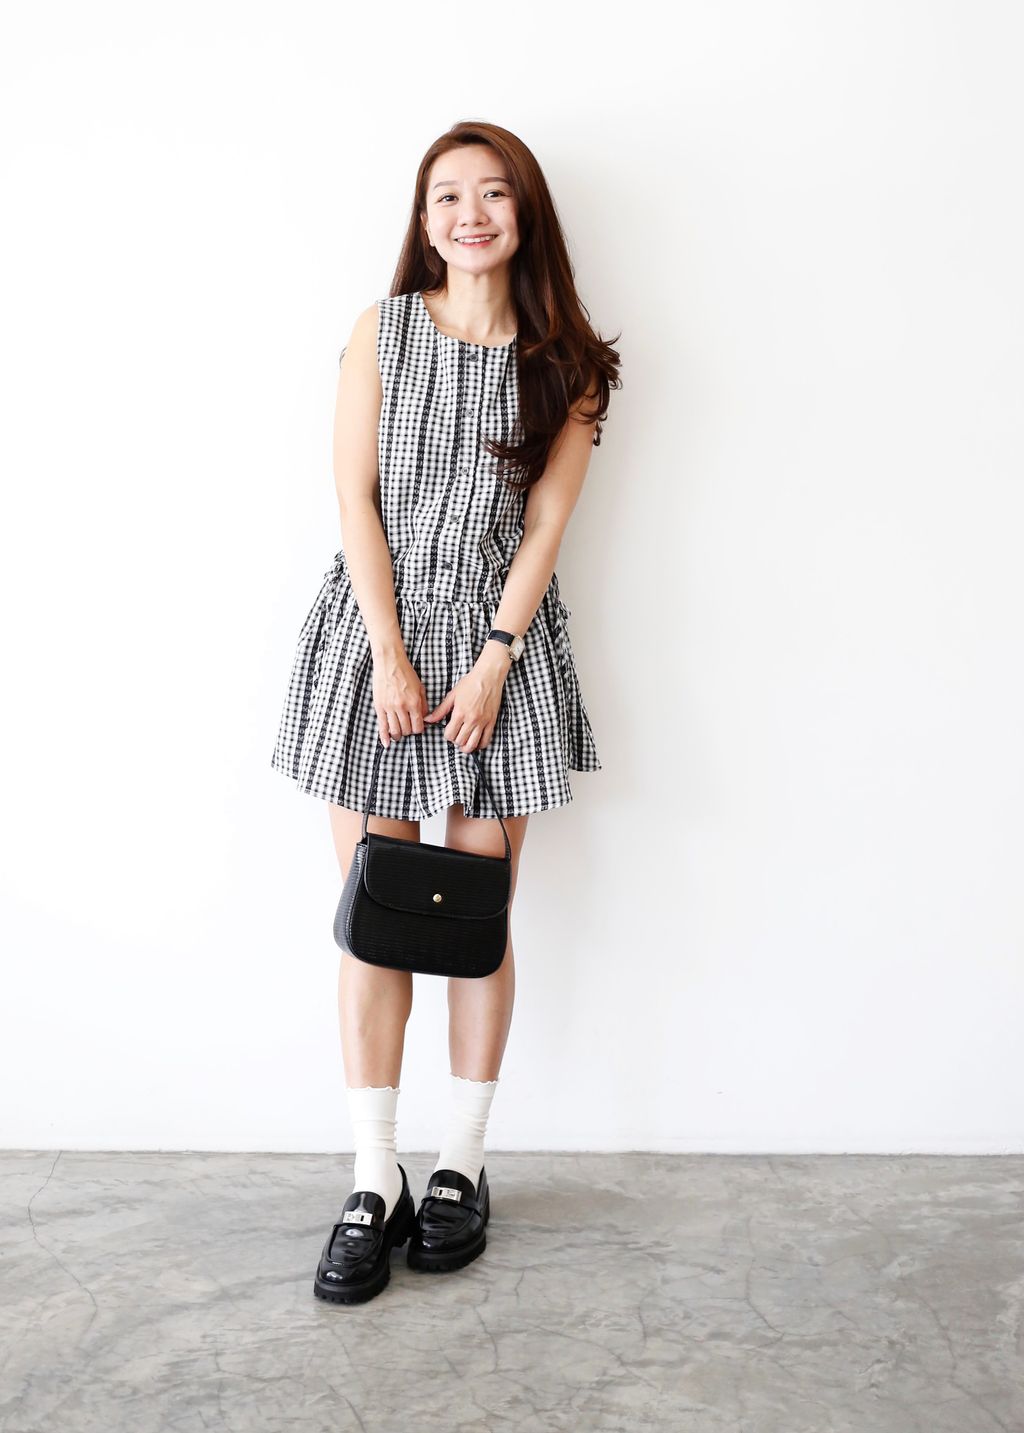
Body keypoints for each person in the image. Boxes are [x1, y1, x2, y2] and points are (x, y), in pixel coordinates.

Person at [270, 120, 621, 1304]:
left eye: (492, 193)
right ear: (423, 222)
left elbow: (547, 524)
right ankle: (373, 1176)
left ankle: (462, 1164)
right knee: (376, 917)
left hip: (499, 658)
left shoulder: (568, 363)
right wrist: (388, 651)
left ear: (525, 213)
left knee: (475, 914)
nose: (470, 214)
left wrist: (493, 659)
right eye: (446, 197)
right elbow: (353, 499)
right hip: (373, 645)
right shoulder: (381, 331)